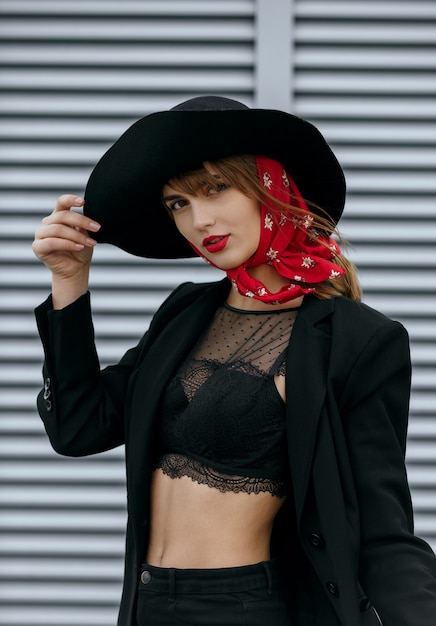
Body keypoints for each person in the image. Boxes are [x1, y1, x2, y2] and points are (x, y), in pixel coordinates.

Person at [32, 96, 436, 626]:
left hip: (245, 605)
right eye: (178, 203)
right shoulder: (184, 311)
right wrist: (69, 282)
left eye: (214, 188)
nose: (199, 219)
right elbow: (78, 427)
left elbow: (383, 529)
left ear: (270, 185)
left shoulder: (359, 340)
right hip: (145, 603)